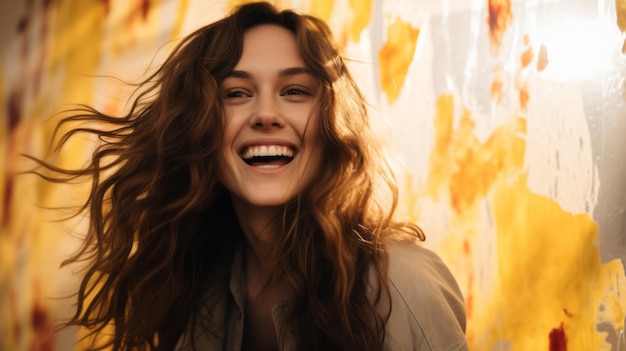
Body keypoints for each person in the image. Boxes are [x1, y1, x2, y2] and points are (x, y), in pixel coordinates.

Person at [38, 2, 467, 350]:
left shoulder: (402, 288)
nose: (265, 115)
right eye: (236, 94)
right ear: (199, 126)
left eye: (295, 91)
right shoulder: (196, 281)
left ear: (333, 123)